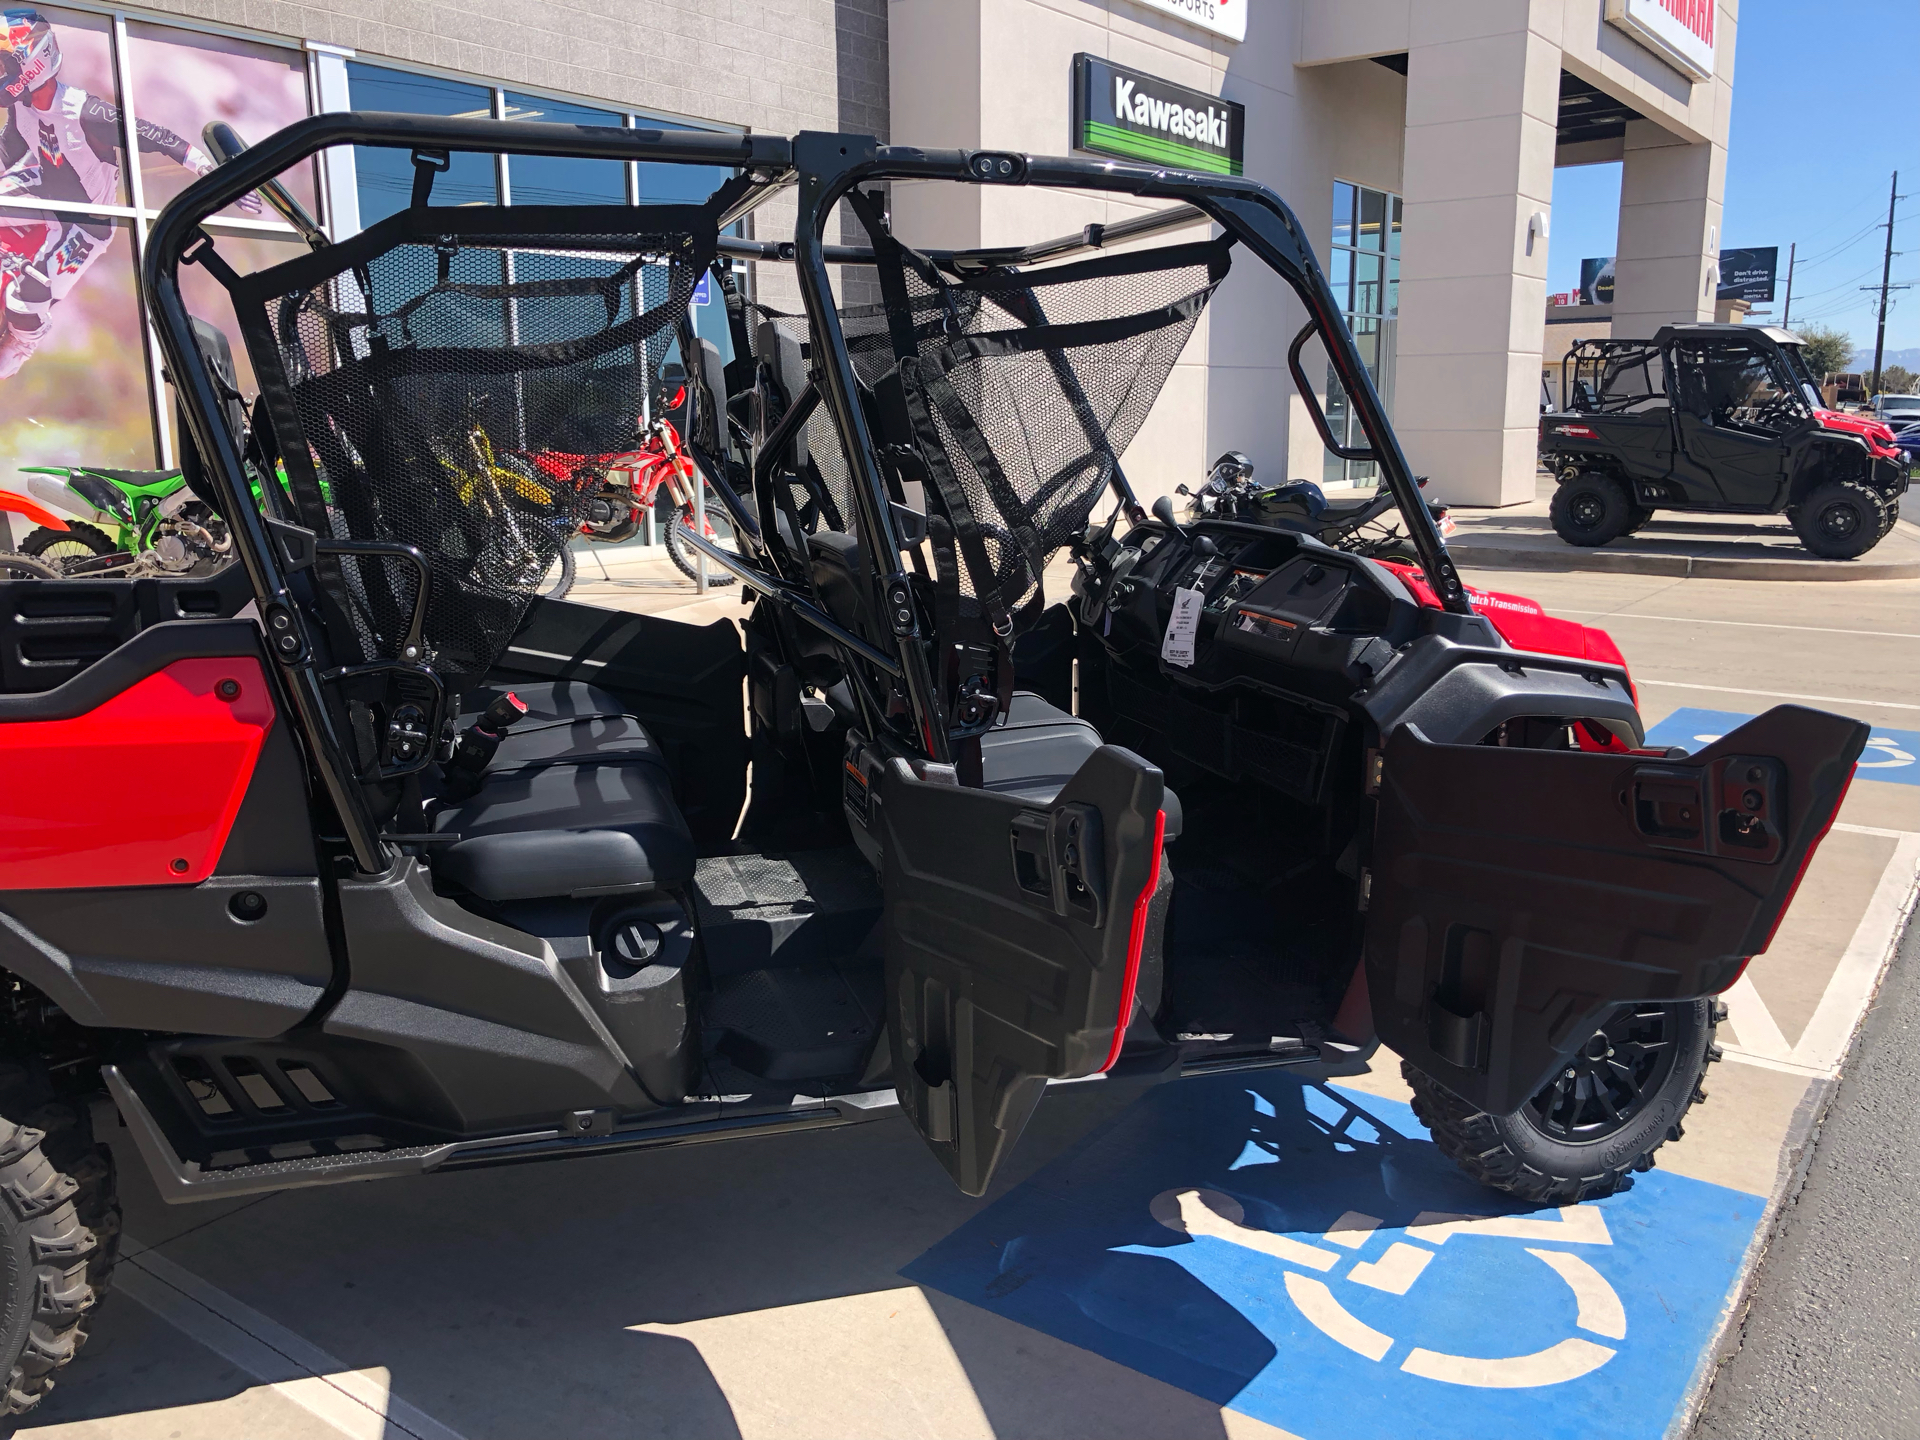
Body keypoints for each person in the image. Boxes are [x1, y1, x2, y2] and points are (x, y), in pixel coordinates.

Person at [0, 8, 257, 378]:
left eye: (5, 63)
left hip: (86, 225)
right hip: (41, 193)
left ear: (32, 60)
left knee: (26, 301)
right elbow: (8, 150)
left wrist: (214, 172)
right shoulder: (23, 109)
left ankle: (21, 347)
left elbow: (151, 135)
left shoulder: (84, 112)